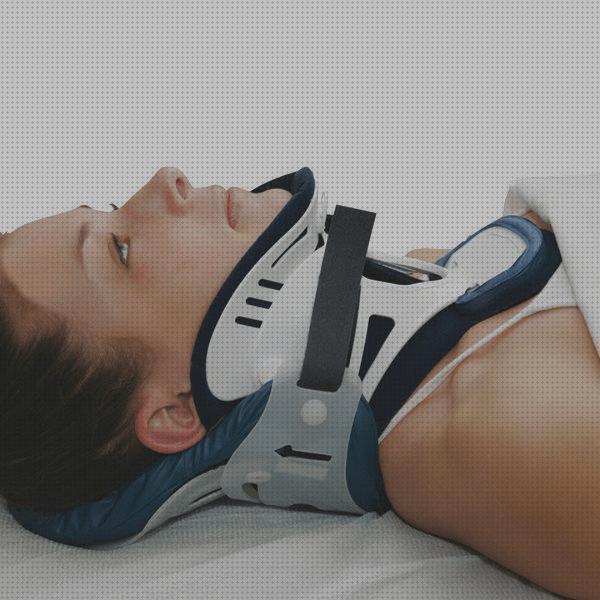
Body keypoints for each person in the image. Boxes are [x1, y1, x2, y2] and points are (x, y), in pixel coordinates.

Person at [0, 166, 598, 599]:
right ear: (176, 413)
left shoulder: (452, 280)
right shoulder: (489, 436)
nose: (165, 179)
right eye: (121, 250)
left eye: (111, 206)